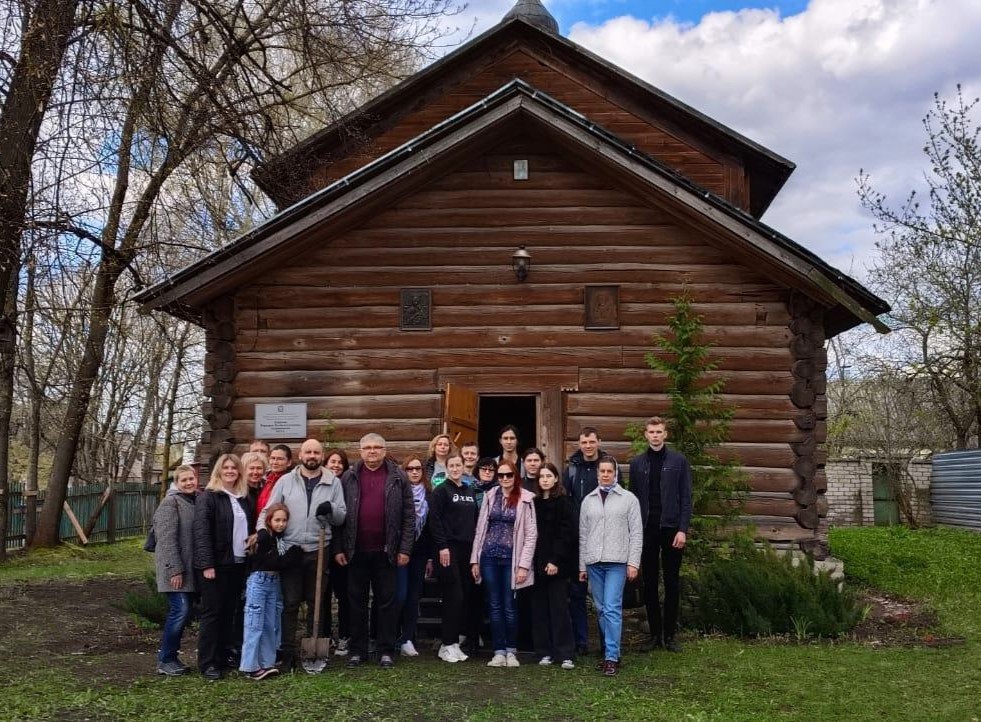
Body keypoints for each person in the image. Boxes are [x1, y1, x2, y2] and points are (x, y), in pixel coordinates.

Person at [257, 438, 346, 672]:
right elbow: (269, 509)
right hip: (292, 549)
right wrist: (261, 531)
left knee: (317, 602)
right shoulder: (287, 481)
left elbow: (342, 516)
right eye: (308, 451)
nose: (312, 455)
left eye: (316, 452)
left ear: (322, 454)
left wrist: (332, 510)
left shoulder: (332, 481)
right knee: (290, 602)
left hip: (319, 549)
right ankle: (287, 653)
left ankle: (313, 651)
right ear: (300, 454)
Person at [333, 433, 415, 669]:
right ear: (360, 451)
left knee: (386, 603)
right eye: (367, 447)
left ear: (384, 450)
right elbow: (339, 516)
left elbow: (409, 516)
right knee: (356, 602)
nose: (372, 451)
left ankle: (385, 650)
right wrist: (339, 547)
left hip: (387, 551)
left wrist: (405, 548)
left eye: (377, 447)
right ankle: (357, 650)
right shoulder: (348, 477)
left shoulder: (398, 477)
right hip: (355, 550)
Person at [628, 416, 693, 653]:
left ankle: (670, 635)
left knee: (672, 582)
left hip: (671, 530)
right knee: (650, 584)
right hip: (647, 531)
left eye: (659, 432)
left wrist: (682, 530)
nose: (655, 435)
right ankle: (655, 634)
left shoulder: (678, 461)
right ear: (645, 435)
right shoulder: (637, 464)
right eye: (651, 432)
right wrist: (634, 532)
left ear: (665, 434)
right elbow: (632, 501)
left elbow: (686, 498)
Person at [193, 454, 256, 680]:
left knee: (230, 612)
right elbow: (201, 532)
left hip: (237, 564)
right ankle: (208, 663)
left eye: (234, 468)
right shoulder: (209, 497)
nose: (230, 471)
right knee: (212, 613)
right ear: (219, 471)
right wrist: (207, 564)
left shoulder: (244, 498)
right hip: (215, 566)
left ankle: (222, 657)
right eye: (226, 467)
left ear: (239, 471)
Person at [578, 456, 642, 677]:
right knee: (601, 609)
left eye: (609, 471)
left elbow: (636, 533)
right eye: (602, 471)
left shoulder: (628, 499)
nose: (605, 474)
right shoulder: (589, 500)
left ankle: (611, 657)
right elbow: (583, 535)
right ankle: (610, 650)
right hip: (594, 562)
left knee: (612, 607)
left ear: (616, 473)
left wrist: (633, 562)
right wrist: (582, 566)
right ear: (597, 474)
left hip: (617, 562)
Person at [470, 459, 537, 668]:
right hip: (489, 556)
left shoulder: (526, 498)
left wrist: (524, 565)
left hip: (512, 559)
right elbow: (480, 529)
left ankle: (511, 650)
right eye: (501, 475)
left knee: (510, 605)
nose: (505, 479)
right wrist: (475, 559)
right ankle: (498, 651)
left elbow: (531, 534)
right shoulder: (490, 496)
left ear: (516, 476)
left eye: (509, 475)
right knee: (494, 604)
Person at [239, 502, 303, 680]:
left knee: (270, 624)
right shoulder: (264, 537)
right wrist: (294, 554)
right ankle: (250, 666)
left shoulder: (278, 539)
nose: (281, 524)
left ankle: (267, 662)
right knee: (254, 624)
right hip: (259, 581)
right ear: (269, 520)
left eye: (284, 520)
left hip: (273, 582)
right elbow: (273, 562)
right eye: (277, 520)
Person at [428, 452, 478, 663]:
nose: (456, 468)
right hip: (448, 549)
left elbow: (474, 520)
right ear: (446, 468)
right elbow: (435, 520)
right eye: (452, 465)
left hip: (467, 549)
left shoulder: (469, 490)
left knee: (464, 596)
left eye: (459, 465)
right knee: (453, 595)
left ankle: (455, 642)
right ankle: (446, 644)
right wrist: (442, 547)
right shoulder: (440, 491)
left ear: (464, 467)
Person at [562, 426, 605, 655]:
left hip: (601, 539)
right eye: (584, 442)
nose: (587, 446)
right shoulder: (571, 470)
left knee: (602, 595)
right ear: (579, 444)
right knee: (577, 594)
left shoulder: (607, 468)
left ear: (598, 442)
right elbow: (566, 502)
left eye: (591, 442)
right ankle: (581, 642)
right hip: (578, 539)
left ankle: (606, 642)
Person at [153, 465, 198, 676]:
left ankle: (171, 657)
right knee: (180, 610)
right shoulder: (170, 503)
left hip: (189, 569)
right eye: (184, 480)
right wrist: (175, 570)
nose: (189, 483)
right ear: (176, 482)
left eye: (191, 479)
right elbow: (166, 540)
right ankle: (166, 659)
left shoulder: (195, 500)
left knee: (184, 612)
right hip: (174, 571)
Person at [532, 462, 576, 670]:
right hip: (537, 563)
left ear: (556, 478)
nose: (545, 479)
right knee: (540, 610)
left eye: (549, 476)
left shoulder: (563, 502)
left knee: (559, 609)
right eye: (542, 477)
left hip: (557, 564)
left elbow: (566, 534)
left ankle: (565, 653)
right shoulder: (534, 503)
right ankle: (544, 652)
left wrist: (555, 560)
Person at [396, 453, 432, 657]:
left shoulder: (429, 494)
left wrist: (429, 557)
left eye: (418, 469)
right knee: (398, 595)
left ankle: (407, 638)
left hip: (419, 552)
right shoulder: (398, 493)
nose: (415, 472)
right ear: (404, 471)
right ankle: (392, 635)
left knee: (413, 596)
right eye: (410, 469)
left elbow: (431, 528)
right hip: (401, 551)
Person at [323, 448, 352, 654]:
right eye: (332, 462)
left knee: (344, 595)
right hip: (321, 547)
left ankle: (344, 635)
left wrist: (340, 548)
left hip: (341, 548)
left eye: (339, 462)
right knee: (322, 595)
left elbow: (345, 521)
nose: (335, 465)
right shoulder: (321, 485)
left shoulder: (349, 486)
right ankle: (324, 636)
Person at [257, 444, 293, 513]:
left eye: (280, 459)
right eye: (273, 458)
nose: (275, 462)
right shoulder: (264, 479)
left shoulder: (290, 481)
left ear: (289, 462)